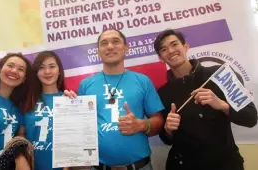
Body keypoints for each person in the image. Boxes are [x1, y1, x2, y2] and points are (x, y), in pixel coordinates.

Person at [154, 29, 258, 170]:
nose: (171, 51)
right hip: (184, 165)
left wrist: (222, 105)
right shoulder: (162, 93)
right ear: (160, 57)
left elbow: (251, 118)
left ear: (186, 46)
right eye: (164, 49)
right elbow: (166, 139)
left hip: (225, 164)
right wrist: (168, 130)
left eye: (174, 44)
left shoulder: (220, 74)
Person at [65, 29, 165, 170]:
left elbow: (159, 121)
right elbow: (79, 129)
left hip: (139, 166)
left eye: (116, 41)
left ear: (126, 48)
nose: (110, 46)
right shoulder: (86, 85)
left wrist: (141, 125)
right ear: (98, 52)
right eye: (104, 43)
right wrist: (67, 108)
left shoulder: (143, 81)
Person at [18, 50, 66, 170]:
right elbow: (20, 136)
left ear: (59, 71)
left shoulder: (69, 99)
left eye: (52, 66)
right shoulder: (27, 101)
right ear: (36, 73)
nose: (47, 71)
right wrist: (21, 159)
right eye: (41, 67)